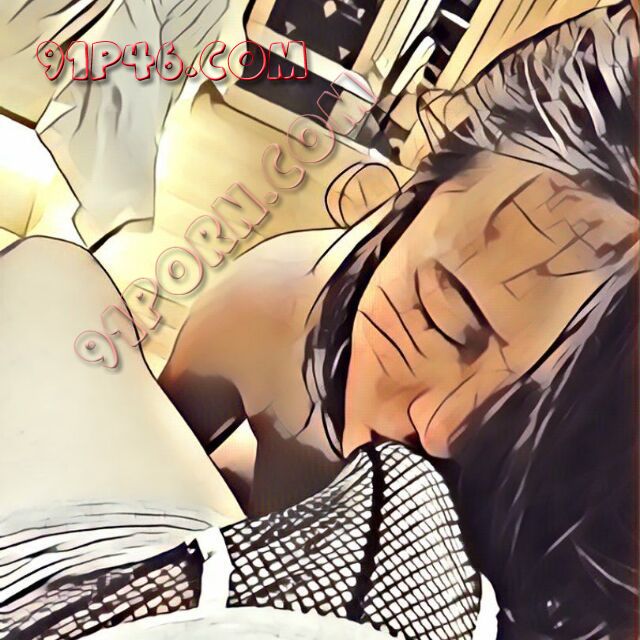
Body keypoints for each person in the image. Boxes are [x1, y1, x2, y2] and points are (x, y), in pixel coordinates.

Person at [160, 2, 639, 637]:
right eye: (443, 320)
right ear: (411, 203)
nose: (442, 431)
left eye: (554, 416)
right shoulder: (269, 314)